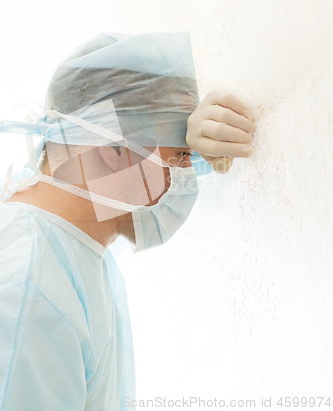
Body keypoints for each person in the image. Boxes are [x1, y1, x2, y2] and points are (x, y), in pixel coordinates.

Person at [0, 31, 255, 411]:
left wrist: (197, 152)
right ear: (115, 150)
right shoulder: (31, 288)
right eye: (181, 155)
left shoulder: (64, 244)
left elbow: (148, 170)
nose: (185, 175)